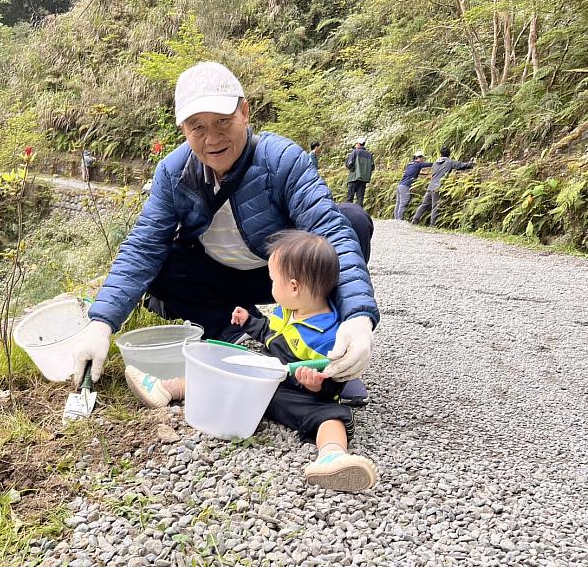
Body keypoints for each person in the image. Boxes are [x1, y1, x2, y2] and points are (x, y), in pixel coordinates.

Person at [68, 61, 379, 397]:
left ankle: (329, 351)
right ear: (183, 130)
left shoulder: (282, 160)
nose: (212, 139)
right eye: (196, 127)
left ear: (244, 113)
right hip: (219, 277)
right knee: (161, 263)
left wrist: (358, 317)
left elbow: (329, 231)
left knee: (352, 220)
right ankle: (235, 337)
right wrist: (101, 324)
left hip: (282, 276)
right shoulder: (173, 173)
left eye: (223, 122)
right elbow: (143, 247)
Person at [124, 231, 377, 492]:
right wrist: (250, 322)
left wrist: (316, 385)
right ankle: (167, 388)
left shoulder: (327, 335)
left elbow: (334, 384)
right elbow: (271, 334)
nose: (270, 286)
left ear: (293, 287)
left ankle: (333, 455)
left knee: (332, 417)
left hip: (301, 397)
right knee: (229, 370)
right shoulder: (288, 309)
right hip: (267, 380)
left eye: (273, 280)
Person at [411, 146, 474, 227]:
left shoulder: (436, 162)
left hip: (430, 186)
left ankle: (414, 221)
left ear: (440, 153)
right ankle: (432, 225)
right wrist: (471, 164)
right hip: (438, 187)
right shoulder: (449, 162)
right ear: (449, 154)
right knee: (435, 207)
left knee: (424, 204)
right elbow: (461, 165)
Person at [394, 150, 433, 220]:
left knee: (398, 202)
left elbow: (412, 172)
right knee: (404, 202)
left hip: (400, 185)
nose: (423, 160)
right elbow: (430, 164)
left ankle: (396, 219)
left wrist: (423, 174)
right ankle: (399, 220)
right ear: (419, 158)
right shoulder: (418, 164)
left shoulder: (410, 164)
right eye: (422, 158)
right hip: (405, 186)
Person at [344, 137, 374, 207]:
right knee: (360, 199)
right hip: (363, 180)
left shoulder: (355, 152)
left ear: (358, 144)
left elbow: (349, 163)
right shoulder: (369, 155)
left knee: (350, 198)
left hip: (353, 178)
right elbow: (372, 167)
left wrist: (353, 170)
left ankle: (349, 214)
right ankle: (359, 215)